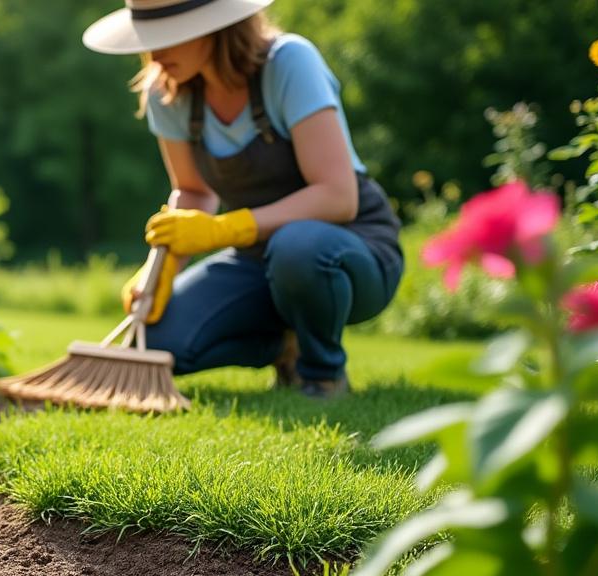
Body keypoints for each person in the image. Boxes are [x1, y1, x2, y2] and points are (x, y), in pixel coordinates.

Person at [83, 0, 403, 398]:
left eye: (166, 35)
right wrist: (160, 268)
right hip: (258, 257)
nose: (154, 53)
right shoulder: (166, 89)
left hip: (349, 250)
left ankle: (322, 374)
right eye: (147, 37)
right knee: (160, 341)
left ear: (212, 26)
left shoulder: (288, 62)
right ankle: (284, 344)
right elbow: (194, 191)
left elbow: (338, 197)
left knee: (297, 246)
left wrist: (227, 228)